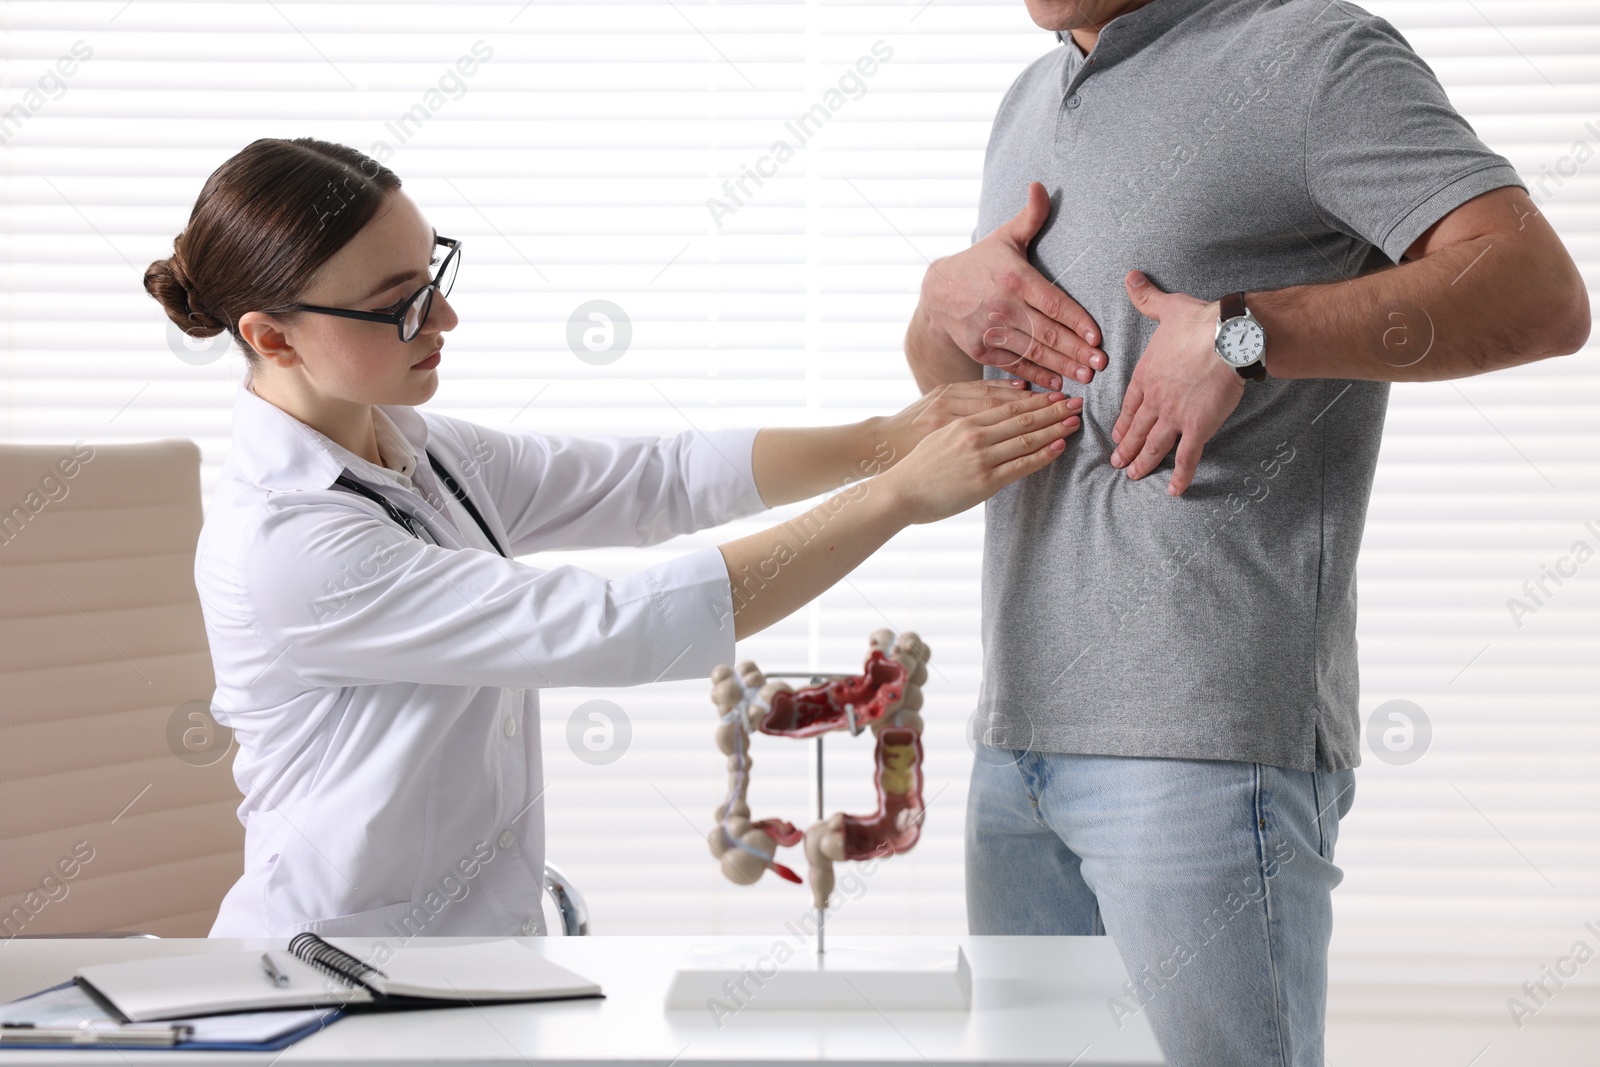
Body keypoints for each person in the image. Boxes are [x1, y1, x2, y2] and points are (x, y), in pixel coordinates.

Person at [144, 136, 1085, 939]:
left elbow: (655, 478)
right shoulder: (290, 546)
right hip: (338, 974)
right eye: (400, 304)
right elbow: (618, 624)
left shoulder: (414, 451)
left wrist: (884, 438)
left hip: (466, 956)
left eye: (434, 275)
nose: (445, 318)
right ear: (272, 338)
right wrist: (894, 499)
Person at [903, 1, 1589, 1064]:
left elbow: (1539, 295)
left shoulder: (1312, 55)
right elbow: (970, 410)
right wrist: (933, 313)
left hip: (1204, 752)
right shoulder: (1030, 100)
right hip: (1016, 740)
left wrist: (1244, 330)